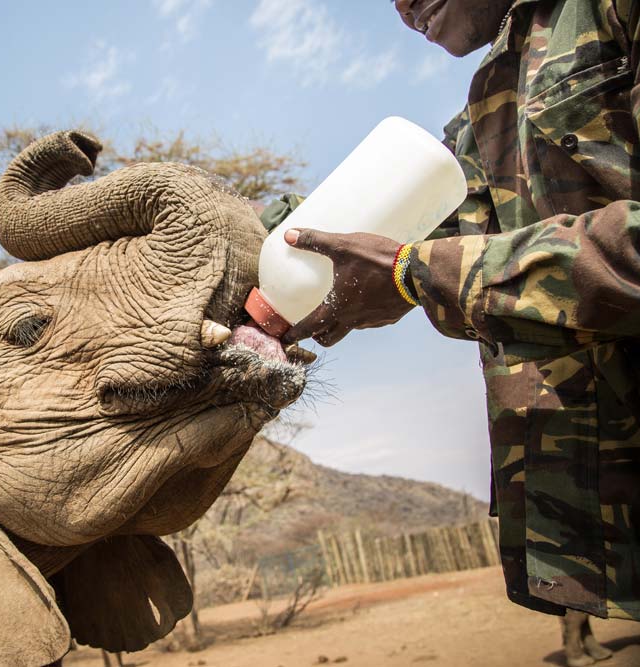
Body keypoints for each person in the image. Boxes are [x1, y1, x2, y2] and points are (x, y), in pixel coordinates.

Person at [272, 0, 639, 649]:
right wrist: (245, 238)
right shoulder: (495, 91)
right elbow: (409, 228)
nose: (401, 6)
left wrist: (420, 270)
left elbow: (423, 258)